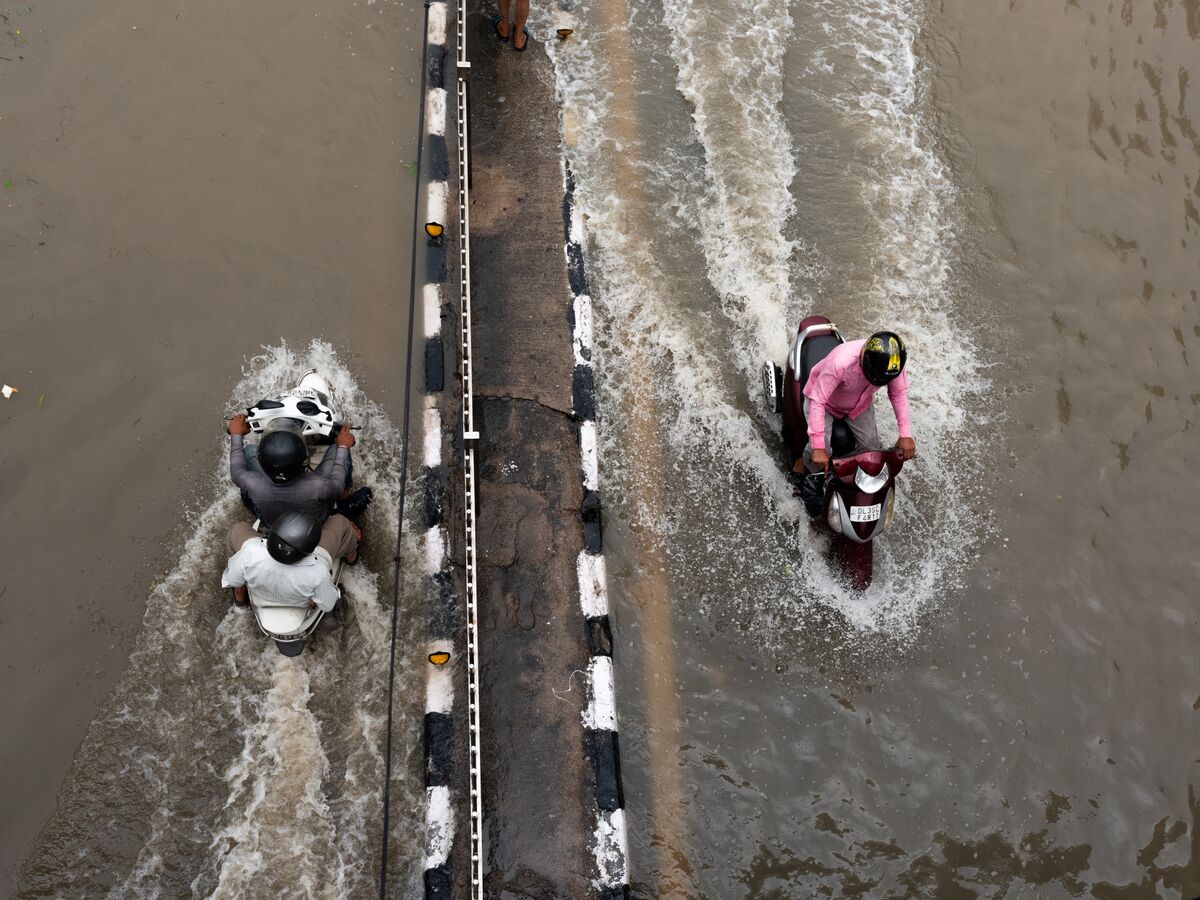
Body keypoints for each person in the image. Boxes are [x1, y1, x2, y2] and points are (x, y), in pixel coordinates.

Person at [797, 330, 917, 474]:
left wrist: (905, 434)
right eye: (877, 378)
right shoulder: (840, 363)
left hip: (859, 406)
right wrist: (818, 447)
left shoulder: (893, 364)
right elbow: (817, 400)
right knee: (822, 451)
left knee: (873, 450)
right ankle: (802, 464)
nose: (881, 382)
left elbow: (898, 394)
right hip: (825, 404)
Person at [227, 413, 370, 526]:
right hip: (315, 520)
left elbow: (236, 471)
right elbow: (337, 485)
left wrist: (236, 435)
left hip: (272, 521)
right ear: (304, 461)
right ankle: (343, 500)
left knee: (250, 450)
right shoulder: (317, 486)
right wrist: (343, 446)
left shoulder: (251, 482)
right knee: (336, 449)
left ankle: (250, 502)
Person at [222, 510, 360, 610]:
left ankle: (240, 604)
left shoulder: (249, 553)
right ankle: (351, 557)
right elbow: (328, 605)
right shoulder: (318, 574)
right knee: (339, 521)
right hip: (300, 601)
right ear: (310, 550)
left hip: (262, 594)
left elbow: (235, 581)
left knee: (237, 529)